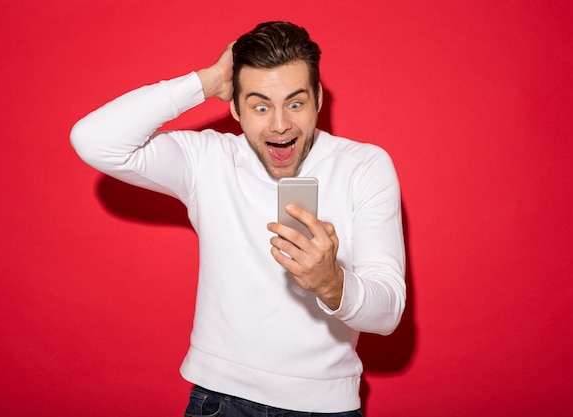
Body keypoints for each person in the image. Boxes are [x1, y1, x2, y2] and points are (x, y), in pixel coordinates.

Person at [71, 21, 405, 417]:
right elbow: (93, 139)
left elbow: (389, 313)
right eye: (260, 106)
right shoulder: (207, 160)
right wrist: (208, 80)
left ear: (318, 99)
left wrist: (332, 285)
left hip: (325, 407)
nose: (280, 124)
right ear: (234, 107)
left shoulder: (364, 166)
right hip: (219, 401)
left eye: (295, 103)